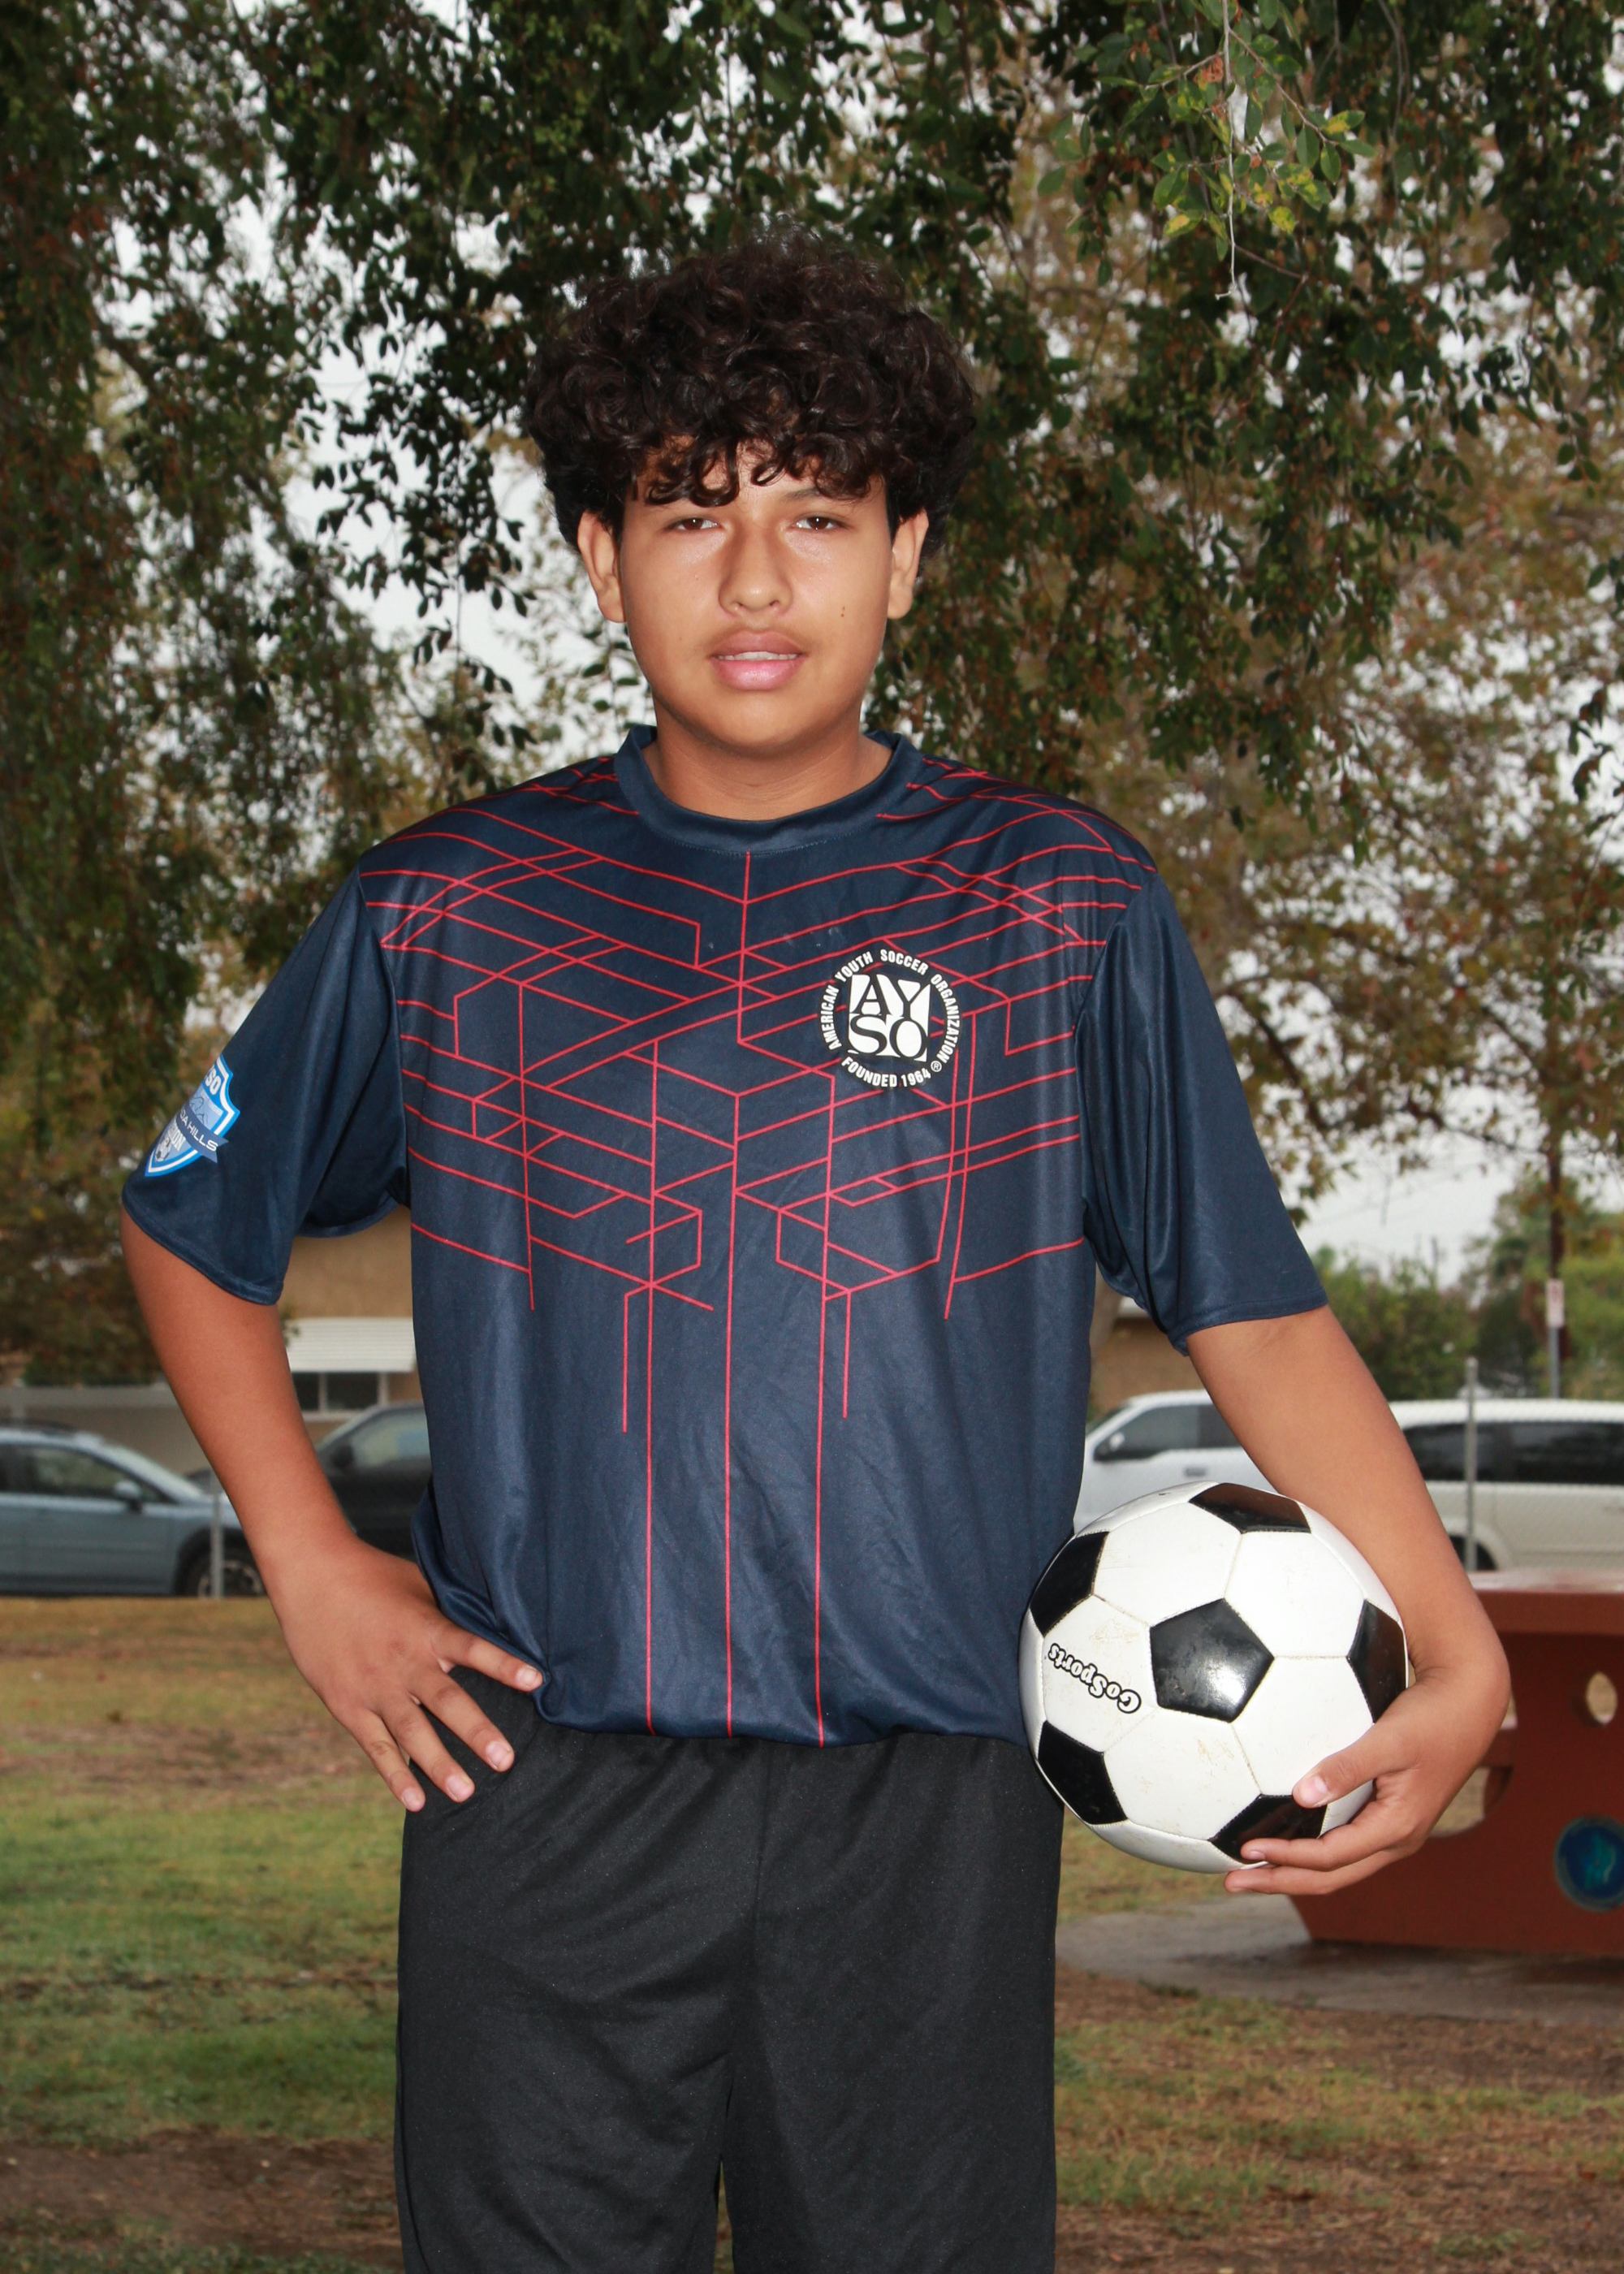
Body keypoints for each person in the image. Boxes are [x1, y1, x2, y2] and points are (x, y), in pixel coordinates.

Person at [122, 232, 1509, 2274]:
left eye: (818, 516)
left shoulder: (1056, 908)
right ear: (599, 561)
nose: (756, 579)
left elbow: (1254, 1311)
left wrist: (1453, 1642)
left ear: (907, 555)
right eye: (691, 515)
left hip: (926, 1807)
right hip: (543, 1789)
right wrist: (313, 1565)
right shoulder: (453, 914)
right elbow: (190, 1224)